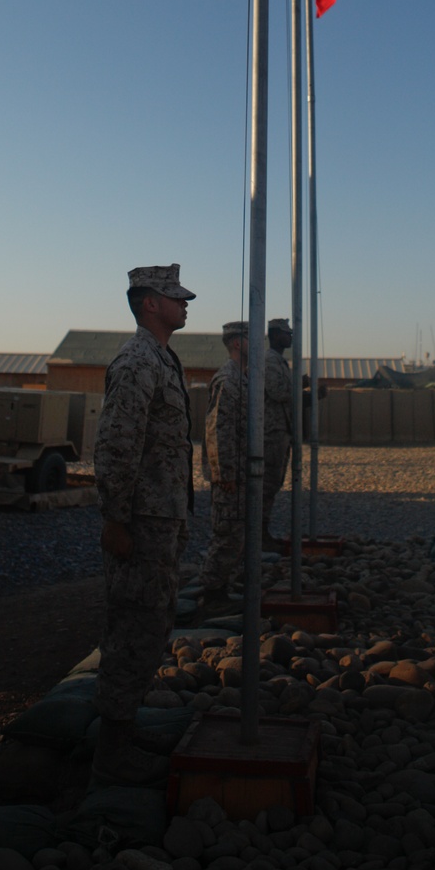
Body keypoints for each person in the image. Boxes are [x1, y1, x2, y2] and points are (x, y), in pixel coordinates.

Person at [91, 263, 195, 784]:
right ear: (149, 302)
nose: (185, 305)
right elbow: (115, 444)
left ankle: (124, 729)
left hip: (161, 518)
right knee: (133, 626)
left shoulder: (162, 358)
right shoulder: (137, 361)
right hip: (141, 521)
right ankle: (111, 752)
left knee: (152, 623)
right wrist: (115, 518)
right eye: (176, 298)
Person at [199, 320, 249, 617]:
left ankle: (221, 587)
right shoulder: (228, 380)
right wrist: (225, 473)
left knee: (236, 532)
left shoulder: (240, 378)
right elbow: (217, 428)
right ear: (238, 344)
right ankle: (212, 594)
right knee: (227, 533)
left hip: (239, 472)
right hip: (230, 475)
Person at [262, 316, 293, 548]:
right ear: (274, 336)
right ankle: (259, 533)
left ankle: (262, 531)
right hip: (270, 432)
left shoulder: (280, 361)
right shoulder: (270, 361)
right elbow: (278, 392)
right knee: (267, 484)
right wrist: (300, 386)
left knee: (274, 483)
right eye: (285, 332)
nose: (289, 336)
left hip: (280, 431)